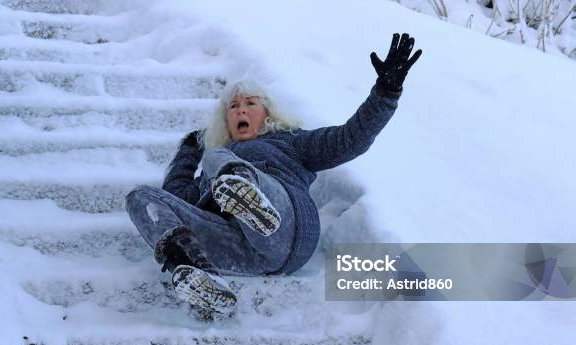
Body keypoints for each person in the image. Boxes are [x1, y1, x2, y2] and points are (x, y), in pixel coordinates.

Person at [126, 33, 422, 319]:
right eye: (233, 106)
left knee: (219, 156)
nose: (241, 109)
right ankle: (200, 273)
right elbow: (174, 199)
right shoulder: (212, 167)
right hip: (239, 251)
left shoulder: (290, 141)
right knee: (140, 197)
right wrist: (189, 150)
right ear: (225, 119)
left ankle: (246, 193)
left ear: (267, 113)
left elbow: (350, 139)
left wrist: (386, 92)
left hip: (287, 230)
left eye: (250, 103)